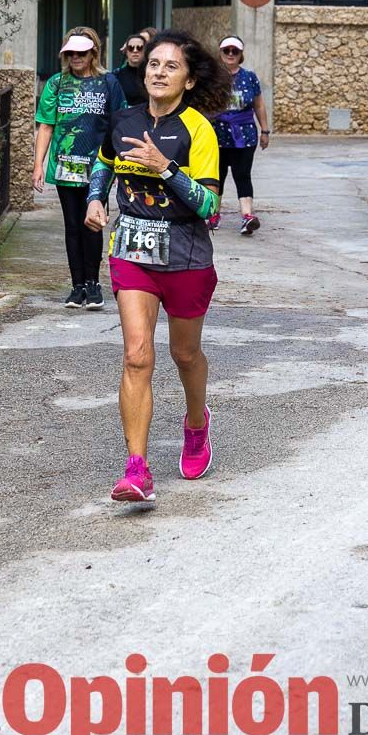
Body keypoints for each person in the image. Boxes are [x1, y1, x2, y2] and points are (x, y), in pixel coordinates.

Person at [84, 29, 231, 502]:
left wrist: (164, 167)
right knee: (136, 354)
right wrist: (94, 199)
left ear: (188, 80)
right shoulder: (124, 119)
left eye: (171, 66)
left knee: (184, 354)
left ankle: (195, 424)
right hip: (132, 252)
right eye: (153, 64)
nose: (159, 72)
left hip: (187, 255)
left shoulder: (198, 129)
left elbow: (210, 206)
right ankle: (137, 468)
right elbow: (103, 162)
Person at [33, 27, 126, 309]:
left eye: (81, 52)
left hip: (98, 166)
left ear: (93, 53)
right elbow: (46, 125)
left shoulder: (109, 82)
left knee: (92, 223)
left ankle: (93, 284)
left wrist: (122, 164)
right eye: (71, 53)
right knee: (72, 225)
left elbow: (120, 123)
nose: (75, 57)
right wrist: (38, 165)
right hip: (65, 165)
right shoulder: (56, 84)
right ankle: (77, 287)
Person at [209, 35, 270, 235]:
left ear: (241, 54)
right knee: (216, 176)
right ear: (220, 53)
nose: (230, 54)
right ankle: (213, 214)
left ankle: (247, 216)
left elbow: (259, 104)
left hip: (244, 136)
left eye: (235, 51)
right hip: (216, 134)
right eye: (227, 50)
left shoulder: (250, 77)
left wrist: (265, 130)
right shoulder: (212, 78)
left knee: (242, 175)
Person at [113, 33, 149, 106]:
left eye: (139, 47)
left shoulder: (152, 74)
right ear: (126, 51)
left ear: (145, 50)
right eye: (131, 47)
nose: (135, 51)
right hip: (124, 116)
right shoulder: (116, 76)